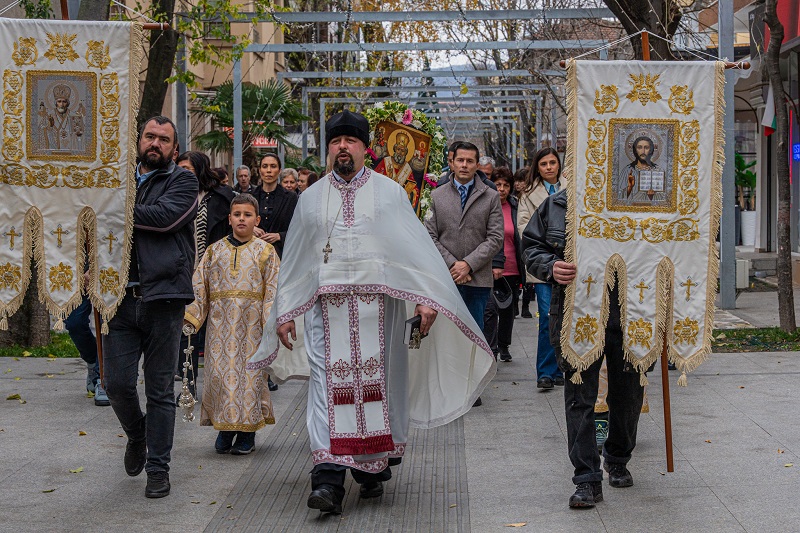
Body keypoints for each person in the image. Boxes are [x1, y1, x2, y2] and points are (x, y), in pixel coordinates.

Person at [248, 110, 495, 514]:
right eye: (335, 141)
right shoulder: (310, 198)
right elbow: (296, 258)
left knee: (379, 389)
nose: (342, 147)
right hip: (326, 314)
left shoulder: (390, 193)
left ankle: (369, 471)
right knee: (326, 388)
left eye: (350, 140)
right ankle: (327, 479)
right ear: (329, 148)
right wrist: (286, 310)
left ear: (365, 147)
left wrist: (425, 298)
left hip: (381, 312)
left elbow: (413, 250)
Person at [521, 189, 646, 509]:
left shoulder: (640, 201)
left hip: (630, 313)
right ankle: (587, 478)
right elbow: (532, 245)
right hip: (577, 315)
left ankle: (617, 457)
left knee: (629, 394)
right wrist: (551, 266)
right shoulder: (559, 203)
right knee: (579, 397)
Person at [103, 115, 198, 499]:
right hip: (118, 300)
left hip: (164, 299)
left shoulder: (183, 180)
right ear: (138, 141)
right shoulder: (118, 177)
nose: (154, 143)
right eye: (149, 137)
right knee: (117, 385)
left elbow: (165, 219)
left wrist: (111, 210)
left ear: (174, 149)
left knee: (159, 389)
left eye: (163, 139)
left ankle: (158, 468)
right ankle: (136, 432)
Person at [184, 194, 279, 455]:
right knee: (220, 377)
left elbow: (273, 290)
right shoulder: (214, 251)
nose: (241, 219)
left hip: (252, 329)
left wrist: (270, 323)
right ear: (229, 219)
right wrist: (192, 317)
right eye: (237, 214)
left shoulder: (266, 252)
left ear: (257, 220)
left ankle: (247, 434)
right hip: (220, 327)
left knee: (249, 378)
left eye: (247, 215)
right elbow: (199, 286)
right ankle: (225, 429)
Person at [425, 140, 504, 405]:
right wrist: (453, 265)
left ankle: (471, 389)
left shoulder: (490, 196)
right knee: (445, 333)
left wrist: (468, 264)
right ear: (451, 162)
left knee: (474, 333)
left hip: (477, 279)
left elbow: (494, 238)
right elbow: (429, 236)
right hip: (445, 278)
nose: (465, 165)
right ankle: (448, 388)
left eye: (470, 161)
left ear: (477, 164)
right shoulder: (435, 196)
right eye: (460, 160)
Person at [175, 151, 236, 388]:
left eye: (187, 169)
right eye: (179, 168)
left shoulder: (221, 197)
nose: (181, 173)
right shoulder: (176, 196)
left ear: (200, 170)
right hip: (185, 272)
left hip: (217, 273)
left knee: (217, 330)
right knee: (188, 330)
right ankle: (188, 386)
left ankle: (219, 384)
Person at [517, 147, 567, 390]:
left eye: (552, 163)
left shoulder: (571, 187)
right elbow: (524, 227)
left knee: (568, 317)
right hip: (543, 264)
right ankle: (546, 371)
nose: (549, 167)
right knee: (548, 316)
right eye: (544, 164)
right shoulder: (528, 193)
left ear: (559, 165)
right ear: (537, 167)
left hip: (569, 263)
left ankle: (561, 367)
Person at [490, 167, 523, 362]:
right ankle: (491, 344)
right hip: (490, 267)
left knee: (508, 309)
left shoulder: (515, 207)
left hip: (512, 266)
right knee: (491, 308)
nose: (501, 189)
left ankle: (504, 345)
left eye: (506, 185)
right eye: (498, 185)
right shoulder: (486, 205)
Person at [64, 295, 109, 406]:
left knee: (106, 323)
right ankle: (93, 361)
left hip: (108, 280)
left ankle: (101, 378)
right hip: (80, 279)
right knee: (74, 323)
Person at [253, 153, 297, 258]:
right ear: (260, 171)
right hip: (253, 254)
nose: (269, 170)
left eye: (273, 166)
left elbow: (298, 228)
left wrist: (279, 236)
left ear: (279, 171)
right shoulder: (250, 196)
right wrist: (251, 229)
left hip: (281, 255)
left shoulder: (290, 198)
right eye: (265, 166)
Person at [513, 167, 534, 318]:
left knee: (529, 277)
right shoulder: (513, 200)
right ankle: (514, 305)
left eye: (522, 181)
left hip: (528, 242)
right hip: (515, 241)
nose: (518, 184)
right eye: (516, 181)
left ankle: (526, 305)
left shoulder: (531, 199)